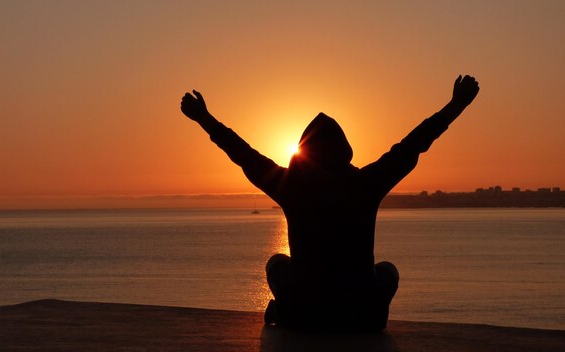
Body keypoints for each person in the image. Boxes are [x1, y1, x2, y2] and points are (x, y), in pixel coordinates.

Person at [180, 75, 480, 332]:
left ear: (302, 152)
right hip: (363, 318)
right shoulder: (367, 183)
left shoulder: (290, 186)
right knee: (387, 270)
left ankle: (284, 311)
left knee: (276, 263)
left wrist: (203, 117)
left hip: (303, 316)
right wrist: (457, 104)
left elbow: (242, 153)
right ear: (345, 151)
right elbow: (415, 143)